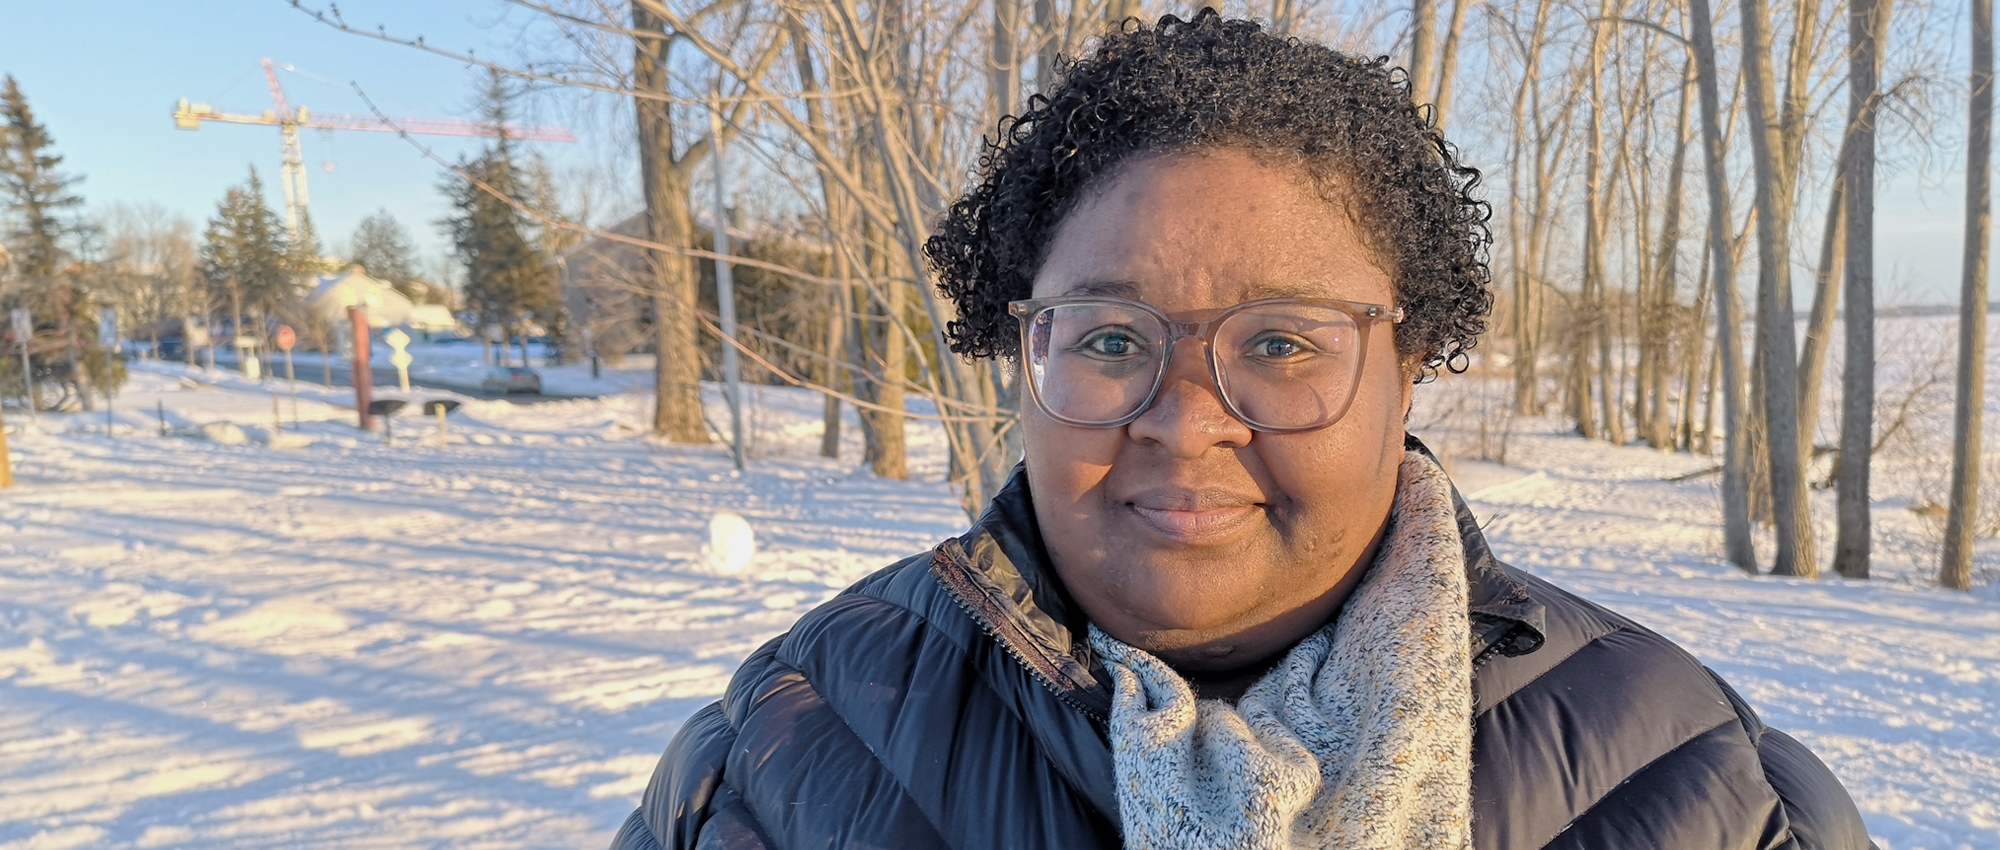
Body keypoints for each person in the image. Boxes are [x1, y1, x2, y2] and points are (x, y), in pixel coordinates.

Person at [611, 10, 1873, 850]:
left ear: (1409, 362)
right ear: (1027, 349)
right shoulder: (783, 755)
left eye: (1279, 343)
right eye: (1110, 339)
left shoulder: (1703, 787)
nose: (1184, 423)